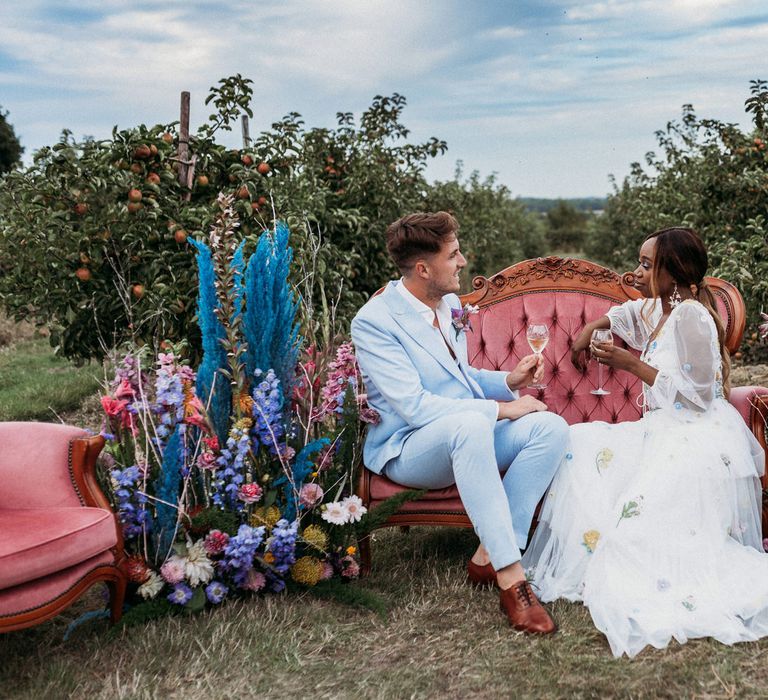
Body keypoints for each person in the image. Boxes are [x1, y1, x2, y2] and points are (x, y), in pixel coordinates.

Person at [523, 226, 768, 657]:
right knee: (578, 443)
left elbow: (699, 395)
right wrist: (594, 326)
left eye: (646, 264)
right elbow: (630, 318)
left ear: (673, 272)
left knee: (630, 533)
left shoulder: (692, 315)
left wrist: (629, 364)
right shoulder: (663, 307)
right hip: (657, 429)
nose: (636, 271)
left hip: (692, 435)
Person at [351, 211, 569, 634]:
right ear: (423, 268)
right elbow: (414, 406)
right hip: (409, 448)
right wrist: (501, 410)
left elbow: (459, 378)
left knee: (551, 428)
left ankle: (488, 554)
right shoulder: (374, 322)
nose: (463, 262)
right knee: (470, 426)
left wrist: (509, 381)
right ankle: (513, 580)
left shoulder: (448, 304)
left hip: (463, 432)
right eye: (453, 255)